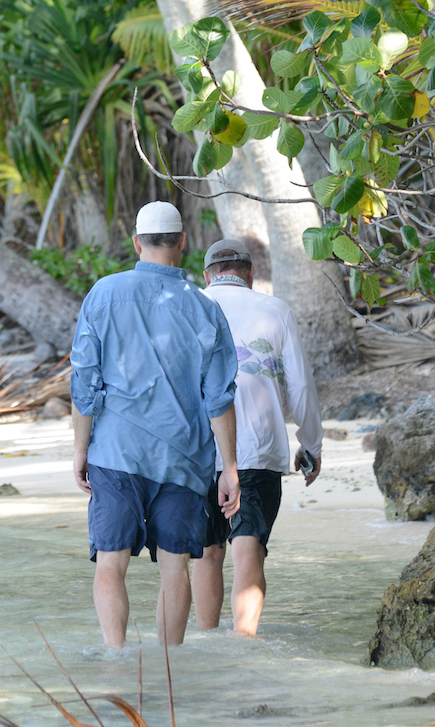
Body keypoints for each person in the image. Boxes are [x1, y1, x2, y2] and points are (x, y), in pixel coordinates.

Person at [70, 202, 241, 648]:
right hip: (182, 459)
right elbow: (219, 397)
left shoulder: (103, 294)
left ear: (136, 243)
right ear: (183, 242)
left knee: (110, 564)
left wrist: (80, 450)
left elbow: (84, 382)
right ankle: (171, 670)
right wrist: (230, 467)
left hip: (116, 451)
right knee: (175, 568)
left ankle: (115, 659)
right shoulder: (204, 308)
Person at [191, 238, 323, 637]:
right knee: (249, 546)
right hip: (257, 450)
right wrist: (311, 443)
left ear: (207, 274)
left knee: (206, 552)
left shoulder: (189, 306)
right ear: (250, 274)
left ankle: (207, 644)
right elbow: (300, 387)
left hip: (196, 451)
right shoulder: (275, 309)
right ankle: (243, 646)